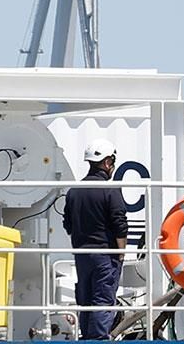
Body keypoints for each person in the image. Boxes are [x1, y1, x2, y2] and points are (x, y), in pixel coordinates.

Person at [62, 138, 127, 340]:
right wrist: (121, 253)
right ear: (107, 163)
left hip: (82, 255)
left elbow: (68, 225)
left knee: (85, 297)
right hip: (105, 255)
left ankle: (87, 336)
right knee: (103, 298)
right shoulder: (110, 190)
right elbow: (120, 224)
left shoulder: (74, 192)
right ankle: (98, 338)